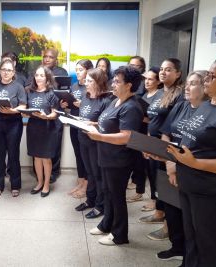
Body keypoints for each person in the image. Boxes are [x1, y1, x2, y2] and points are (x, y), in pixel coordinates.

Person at [167, 56, 216, 267]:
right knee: (192, 242)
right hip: (189, 186)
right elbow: (193, 143)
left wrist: (196, 164)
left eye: (212, 76)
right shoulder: (205, 105)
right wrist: (169, 155)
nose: (206, 80)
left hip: (211, 193)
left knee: (209, 247)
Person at [154, 70, 208, 265]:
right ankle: (177, 247)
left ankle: (188, 255)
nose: (187, 86)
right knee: (171, 209)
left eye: (193, 83)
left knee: (189, 217)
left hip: (191, 170)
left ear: (205, 87)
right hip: (170, 162)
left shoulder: (209, 111)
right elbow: (166, 134)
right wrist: (170, 164)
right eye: (188, 82)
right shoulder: (181, 105)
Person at [87, 66, 143, 246]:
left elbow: (127, 136)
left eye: (118, 81)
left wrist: (100, 136)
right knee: (107, 193)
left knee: (117, 197)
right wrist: (93, 124)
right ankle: (106, 225)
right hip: (106, 155)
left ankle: (120, 235)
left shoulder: (132, 107)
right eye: (114, 80)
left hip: (119, 159)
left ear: (129, 85)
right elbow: (109, 123)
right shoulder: (115, 101)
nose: (113, 84)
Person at [139, 59, 184, 242]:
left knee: (168, 184)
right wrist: (147, 142)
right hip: (154, 143)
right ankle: (159, 213)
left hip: (168, 146)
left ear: (178, 73)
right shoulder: (159, 93)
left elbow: (175, 125)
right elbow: (152, 119)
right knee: (157, 180)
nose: (163, 73)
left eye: (168, 70)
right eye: (162, 70)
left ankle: (168, 227)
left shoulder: (179, 95)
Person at [0, 59, 27, 197]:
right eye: (3, 69)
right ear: (0, 71)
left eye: (9, 70)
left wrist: (13, 110)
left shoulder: (18, 86)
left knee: (13, 154)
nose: (6, 72)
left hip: (14, 123)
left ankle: (15, 185)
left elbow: (23, 106)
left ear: (13, 72)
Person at [75, 68, 111, 219]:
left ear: (99, 82)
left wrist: (93, 123)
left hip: (96, 142)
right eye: (86, 80)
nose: (86, 83)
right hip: (83, 138)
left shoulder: (106, 100)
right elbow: (83, 115)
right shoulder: (85, 96)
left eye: (90, 81)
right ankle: (90, 200)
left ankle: (99, 205)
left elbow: (107, 124)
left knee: (98, 175)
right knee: (89, 173)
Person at [126, 66, 162, 203]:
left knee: (151, 169)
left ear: (158, 82)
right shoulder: (144, 96)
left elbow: (156, 118)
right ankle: (139, 192)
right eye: (145, 79)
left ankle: (154, 201)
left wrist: (142, 117)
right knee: (138, 165)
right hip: (139, 133)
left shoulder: (160, 96)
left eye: (150, 79)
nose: (146, 82)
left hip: (150, 134)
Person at [24, 65, 59, 197]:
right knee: (36, 157)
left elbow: (55, 114)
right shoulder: (29, 91)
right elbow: (26, 108)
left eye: (42, 75)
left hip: (48, 129)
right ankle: (39, 182)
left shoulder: (52, 93)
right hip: (33, 128)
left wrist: (46, 116)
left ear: (47, 78)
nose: (38, 78)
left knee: (46, 159)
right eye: (37, 75)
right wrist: (25, 113)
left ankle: (46, 185)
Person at [61, 59, 93, 199]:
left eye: (81, 69)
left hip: (86, 127)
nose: (78, 72)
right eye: (77, 69)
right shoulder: (74, 86)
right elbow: (70, 106)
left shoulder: (91, 87)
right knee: (78, 155)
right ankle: (81, 182)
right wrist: (64, 106)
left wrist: (83, 105)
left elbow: (95, 109)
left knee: (86, 157)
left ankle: (87, 185)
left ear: (88, 70)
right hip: (74, 124)